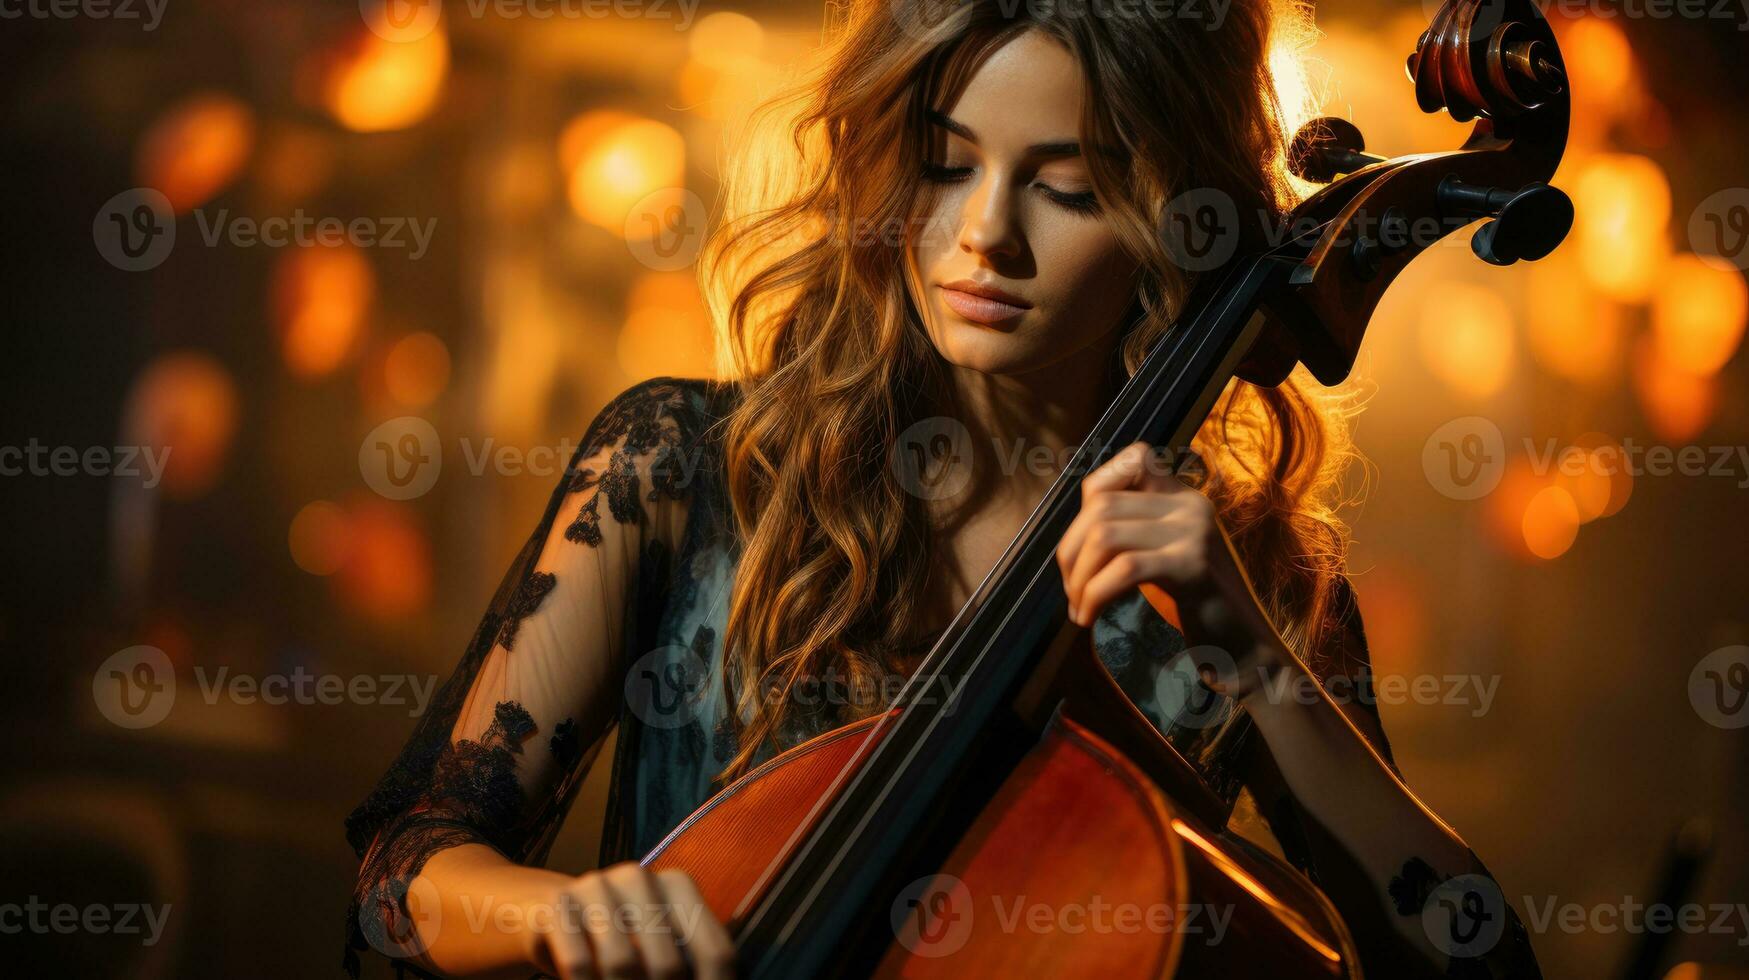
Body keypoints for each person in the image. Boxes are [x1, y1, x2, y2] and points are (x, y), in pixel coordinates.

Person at [345, 1, 1540, 976]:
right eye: (943, 163)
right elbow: (405, 867)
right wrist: (553, 916)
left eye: (1066, 190)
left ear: (1178, 219)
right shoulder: (683, 469)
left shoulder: (1245, 582)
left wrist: (1256, 657)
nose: (983, 236)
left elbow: (1470, 961)